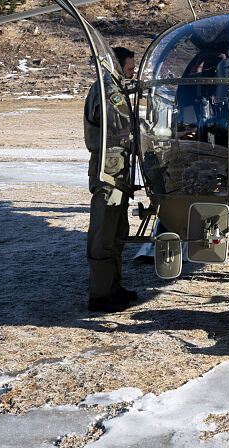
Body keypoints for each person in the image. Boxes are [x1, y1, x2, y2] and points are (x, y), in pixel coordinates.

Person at [87, 46, 138, 312]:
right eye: (129, 68)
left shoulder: (113, 86)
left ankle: (113, 288)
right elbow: (120, 122)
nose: (132, 72)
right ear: (117, 65)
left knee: (117, 232)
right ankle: (100, 295)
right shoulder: (109, 88)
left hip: (117, 170)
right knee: (104, 232)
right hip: (108, 169)